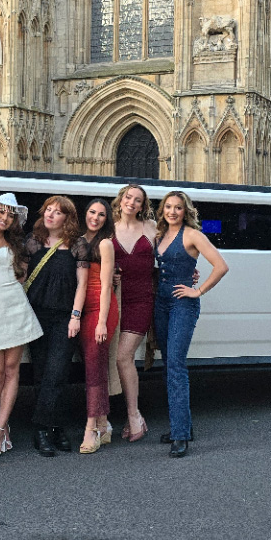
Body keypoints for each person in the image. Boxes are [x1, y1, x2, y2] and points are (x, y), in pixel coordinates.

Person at [154, 190, 228, 458]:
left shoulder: (193, 235)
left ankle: (181, 435)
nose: (172, 211)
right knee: (167, 364)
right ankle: (181, 425)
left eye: (178, 208)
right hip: (160, 303)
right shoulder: (159, 235)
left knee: (175, 365)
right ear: (163, 209)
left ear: (185, 211)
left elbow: (221, 266)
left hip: (182, 305)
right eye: (168, 207)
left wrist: (197, 290)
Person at [0, 193, 43, 458]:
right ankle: (2, 426)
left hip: (15, 307)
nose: (4, 217)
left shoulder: (17, 244)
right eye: (1, 212)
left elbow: (22, 276)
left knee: (12, 371)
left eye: (10, 214)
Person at [23, 195, 90, 457]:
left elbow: (82, 284)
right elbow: (22, 276)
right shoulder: (33, 242)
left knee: (57, 373)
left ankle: (42, 428)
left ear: (68, 218)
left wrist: (76, 316)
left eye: (57, 212)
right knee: (41, 375)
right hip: (36, 315)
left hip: (65, 317)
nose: (50, 215)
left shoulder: (78, 245)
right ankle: (55, 427)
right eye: (47, 210)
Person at [111, 184, 157, 442]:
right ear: (121, 199)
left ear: (142, 205)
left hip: (141, 300)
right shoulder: (108, 227)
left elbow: (173, 251)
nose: (131, 202)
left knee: (122, 357)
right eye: (128, 197)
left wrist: (188, 271)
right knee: (111, 358)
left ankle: (133, 414)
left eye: (137, 200)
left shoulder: (151, 228)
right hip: (115, 300)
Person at [76, 198, 118, 454]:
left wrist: (102, 321)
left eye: (101, 214)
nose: (95, 217)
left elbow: (106, 286)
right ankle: (104, 424)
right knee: (95, 366)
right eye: (92, 212)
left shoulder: (105, 243)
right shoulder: (79, 239)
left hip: (100, 310)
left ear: (106, 219)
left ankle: (90, 428)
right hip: (82, 310)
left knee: (93, 368)